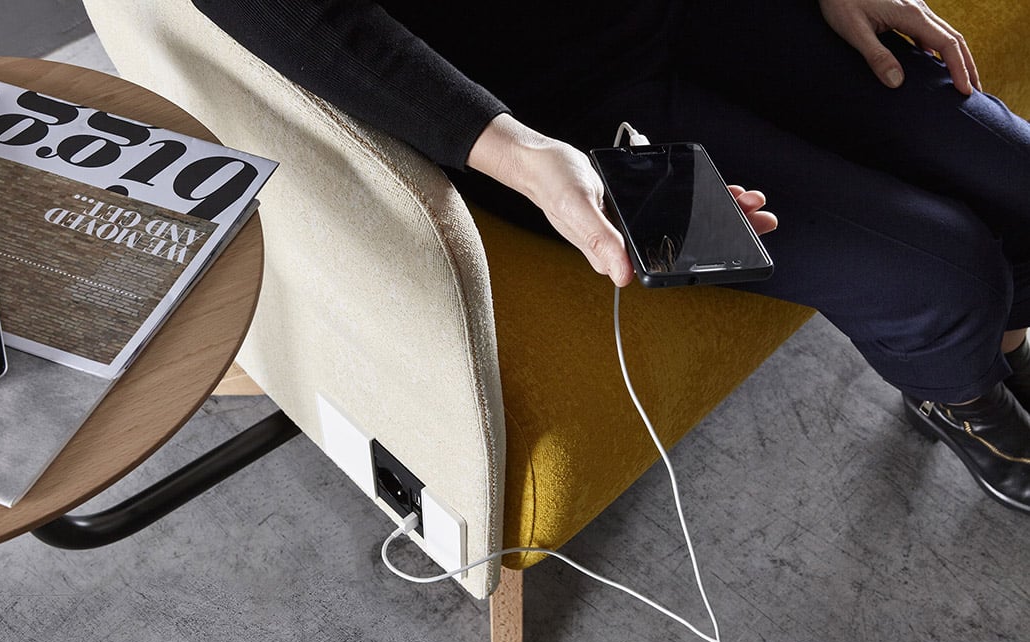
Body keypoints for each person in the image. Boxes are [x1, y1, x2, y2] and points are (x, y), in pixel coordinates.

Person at [191, 0, 1030, 513]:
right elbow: (311, 24)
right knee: (942, 277)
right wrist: (525, 161)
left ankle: (1002, 345)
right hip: (550, 139)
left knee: (1014, 177)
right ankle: (961, 397)